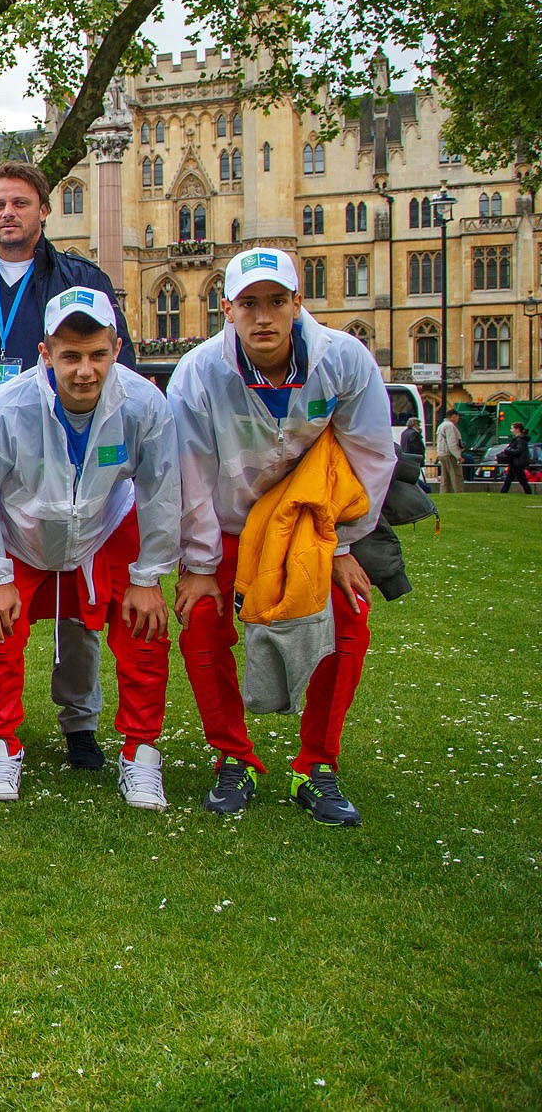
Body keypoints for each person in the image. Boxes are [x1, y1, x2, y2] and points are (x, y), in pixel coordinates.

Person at [169, 248, 396, 825]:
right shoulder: (198, 372)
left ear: (299, 303)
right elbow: (189, 473)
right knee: (201, 620)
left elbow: (369, 454)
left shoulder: (344, 360)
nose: (263, 317)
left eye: (276, 301)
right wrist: (198, 564)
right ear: (227, 309)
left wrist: (342, 544)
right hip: (226, 522)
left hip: (306, 523)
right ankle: (232, 756)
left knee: (349, 615)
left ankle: (316, 764)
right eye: (249, 304)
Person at [0, 161, 136, 770]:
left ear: (44, 210)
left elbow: (112, 365)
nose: (8, 214)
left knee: (78, 606)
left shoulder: (80, 278)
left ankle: (80, 723)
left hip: (64, 449)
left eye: (21, 203)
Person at [0, 288, 181, 808]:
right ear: (45, 353)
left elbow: (162, 490)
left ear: (117, 349)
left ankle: (141, 753)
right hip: (23, 529)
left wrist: (149, 577)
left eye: (98, 355)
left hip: (104, 524)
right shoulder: (6, 408)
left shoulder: (145, 404)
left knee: (144, 630)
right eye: (71, 356)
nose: (85, 370)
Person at [434, 409, 466, 494]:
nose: (458, 419)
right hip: (449, 454)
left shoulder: (441, 425)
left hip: (441, 453)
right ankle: (458, 493)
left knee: (445, 478)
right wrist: (458, 456)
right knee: (456, 476)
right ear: (453, 417)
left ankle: (444, 493)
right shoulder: (450, 426)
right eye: (457, 417)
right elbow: (452, 442)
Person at [498, 422, 533, 495]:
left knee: (521, 480)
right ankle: (503, 492)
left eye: (512, 428)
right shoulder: (520, 439)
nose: (511, 430)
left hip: (517, 463)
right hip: (515, 462)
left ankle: (528, 492)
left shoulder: (519, 440)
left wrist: (508, 450)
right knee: (510, 479)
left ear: (517, 429)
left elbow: (518, 451)